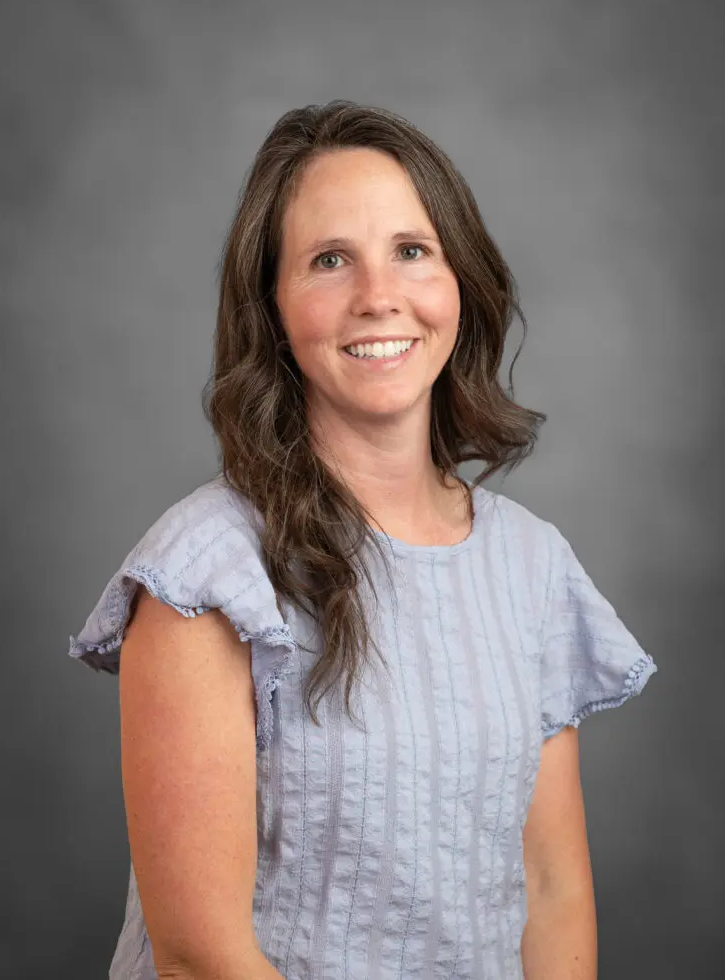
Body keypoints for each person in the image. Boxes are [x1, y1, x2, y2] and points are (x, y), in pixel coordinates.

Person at [68, 100, 658, 980]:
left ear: (461, 282)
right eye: (328, 260)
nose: (378, 295)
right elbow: (200, 956)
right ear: (270, 305)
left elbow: (550, 888)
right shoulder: (207, 568)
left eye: (412, 251)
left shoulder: (529, 566)